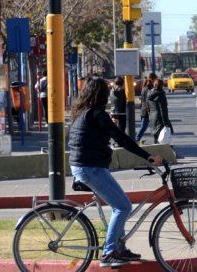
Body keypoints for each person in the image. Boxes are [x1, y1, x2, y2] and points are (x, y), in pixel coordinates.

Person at [67, 77, 163, 268]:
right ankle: (109, 252)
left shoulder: (84, 113)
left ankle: (119, 248)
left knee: (120, 204)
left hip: (88, 165)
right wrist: (148, 156)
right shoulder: (97, 115)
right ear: (102, 95)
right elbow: (122, 139)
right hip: (89, 167)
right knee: (123, 207)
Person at [148, 78, 173, 144]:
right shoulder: (161, 95)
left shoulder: (150, 93)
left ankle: (156, 153)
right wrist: (166, 123)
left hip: (152, 118)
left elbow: (148, 107)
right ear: (162, 86)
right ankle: (163, 153)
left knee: (156, 139)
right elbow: (163, 110)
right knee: (163, 139)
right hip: (160, 119)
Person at [135, 73, 157, 143]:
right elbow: (148, 101)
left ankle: (137, 139)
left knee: (148, 126)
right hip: (147, 110)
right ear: (153, 80)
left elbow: (142, 99)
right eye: (155, 80)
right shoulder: (149, 89)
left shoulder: (144, 88)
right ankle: (136, 139)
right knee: (144, 127)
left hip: (143, 110)